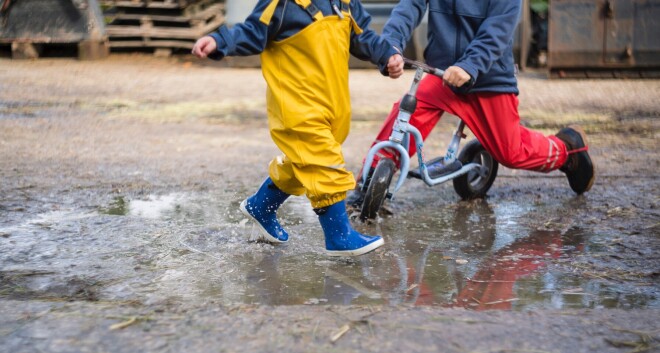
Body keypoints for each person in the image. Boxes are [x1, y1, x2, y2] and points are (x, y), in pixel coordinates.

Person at [192, 0, 404, 256]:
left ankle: (261, 206)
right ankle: (339, 237)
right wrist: (219, 41)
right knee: (324, 162)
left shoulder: (344, 3)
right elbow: (251, 31)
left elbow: (362, 36)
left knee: (304, 161)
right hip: (296, 104)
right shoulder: (282, 4)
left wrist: (386, 55)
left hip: (332, 104)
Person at [347, 0, 595, 209]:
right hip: (441, 73)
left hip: (487, 78)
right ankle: (368, 182)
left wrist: (469, 65)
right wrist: (391, 46)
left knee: (512, 152)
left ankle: (567, 150)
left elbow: (498, 29)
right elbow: (409, 7)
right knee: (405, 116)